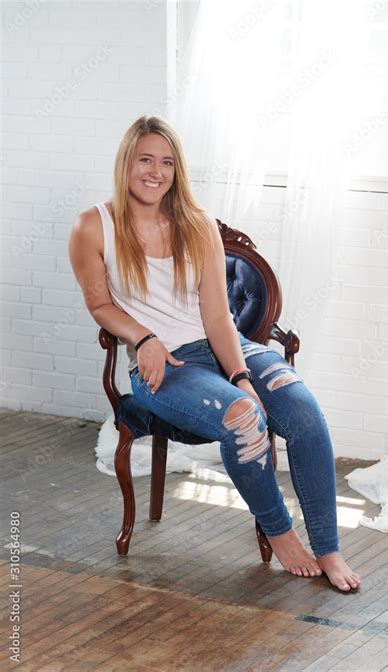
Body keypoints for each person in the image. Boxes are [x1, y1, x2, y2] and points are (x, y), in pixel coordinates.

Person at [69, 115, 361, 592]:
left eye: (166, 162)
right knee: (244, 419)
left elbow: (218, 316)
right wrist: (144, 339)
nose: (155, 172)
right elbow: (99, 303)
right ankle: (282, 534)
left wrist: (242, 374)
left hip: (224, 348)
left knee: (304, 412)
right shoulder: (93, 226)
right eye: (145, 159)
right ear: (126, 163)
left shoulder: (197, 223)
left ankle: (328, 548)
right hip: (166, 364)